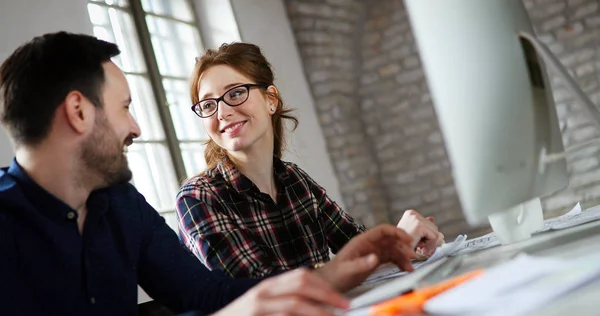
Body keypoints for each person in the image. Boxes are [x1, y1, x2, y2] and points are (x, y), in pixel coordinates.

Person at [0, 31, 418, 316]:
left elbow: (205, 294)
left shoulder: (121, 205)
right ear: (78, 111)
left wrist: (338, 268)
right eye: (125, 107)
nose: (136, 128)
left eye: (237, 94)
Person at [176, 42, 445, 279]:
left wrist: (405, 244)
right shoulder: (198, 198)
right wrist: (387, 246)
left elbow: (357, 246)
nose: (222, 112)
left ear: (271, 100)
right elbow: (261, 289)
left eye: (235, 93)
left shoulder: (295, 180)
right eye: (208, 105)